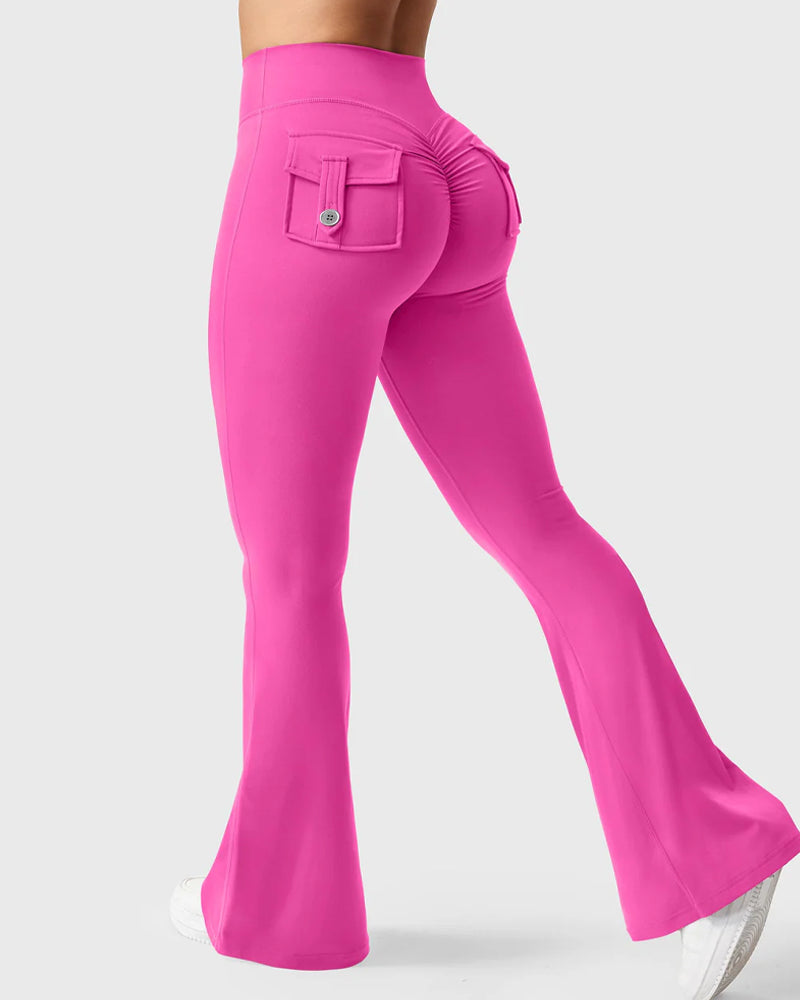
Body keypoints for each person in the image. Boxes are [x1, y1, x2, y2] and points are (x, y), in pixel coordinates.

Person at [169, 2, 800, 997]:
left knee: (290, 572)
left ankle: (282, 911)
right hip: (447, 168)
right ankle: (717, 849)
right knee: (540, 526)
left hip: (313, 169)